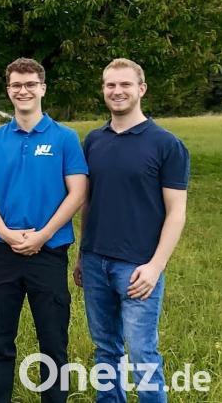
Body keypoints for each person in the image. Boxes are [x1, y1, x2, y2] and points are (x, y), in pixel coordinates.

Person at [74, 58, 189, 403]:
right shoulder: (93, 140)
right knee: (105, 350)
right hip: (95, 262)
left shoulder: (166, 144)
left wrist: (155, 266)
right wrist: (82, 255)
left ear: (141, 89)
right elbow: (88, 203)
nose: (117, 91)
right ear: (103, 90)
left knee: (142, 354)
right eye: (110, 85)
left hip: (138, 266)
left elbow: (177, 212)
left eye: (125, 84)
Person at [0, 58, 87, 403]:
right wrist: (6, 233)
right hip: (2, 251)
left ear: (42, 88)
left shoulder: (64, 138)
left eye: (30, 84)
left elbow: (78, 192)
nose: (23, 91)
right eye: (16, 85)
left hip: (49, 252)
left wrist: (42, 235)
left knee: (53, 341)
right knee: (0, 341)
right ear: (8, 91)